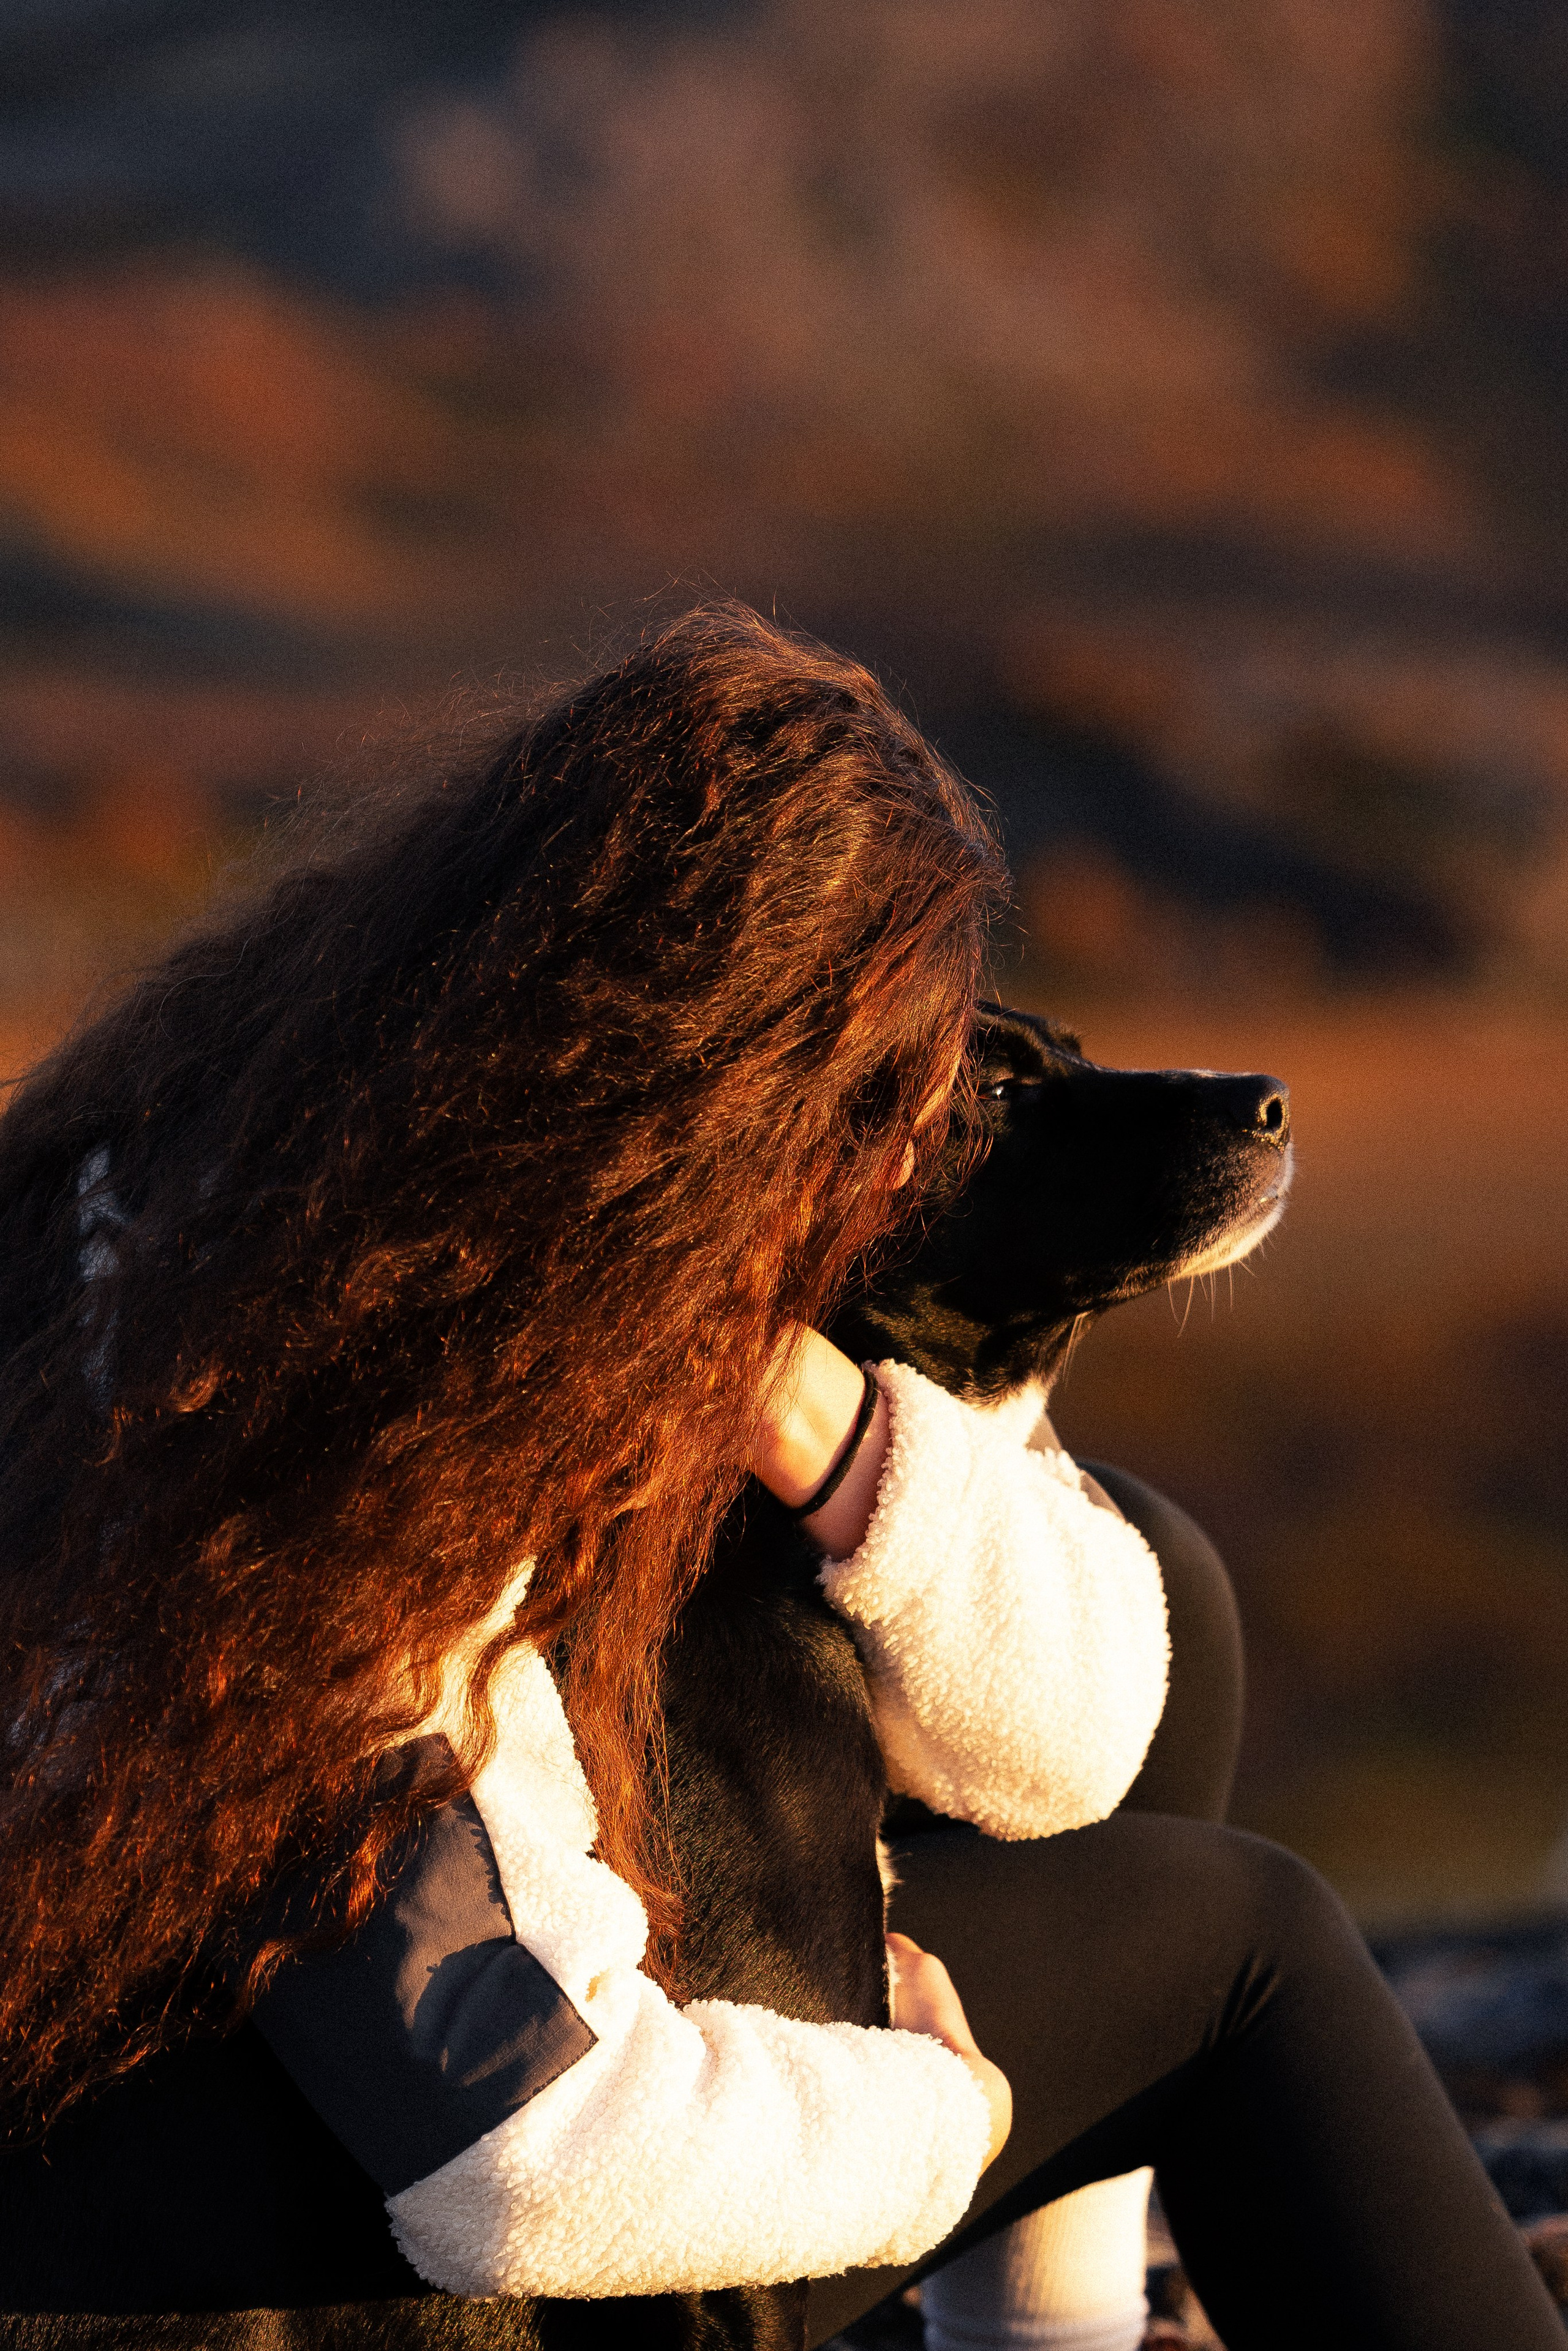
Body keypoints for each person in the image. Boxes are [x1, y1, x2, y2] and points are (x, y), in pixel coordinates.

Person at [0, 608, 1557, 2351]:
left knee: (1162, 1575)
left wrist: (824, 1424)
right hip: (279, 2267)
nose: (909, 1154)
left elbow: (1082, 1740)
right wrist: (939, 2118)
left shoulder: (309, 1171)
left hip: (262, 2141)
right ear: (719, 1088)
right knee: (1245, 1941)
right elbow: (519, 2145)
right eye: (884, 1095)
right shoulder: (348, 1434)